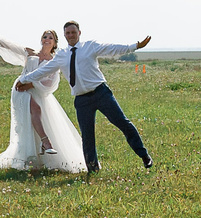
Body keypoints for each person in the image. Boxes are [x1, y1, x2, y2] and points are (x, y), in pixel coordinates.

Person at [0, 29, 82, 173]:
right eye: (44, 37)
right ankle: (46, 142)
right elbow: (8, 45)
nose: (47, 39)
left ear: (55, 42)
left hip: (37, 91)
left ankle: (37, 155)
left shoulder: (54, 60)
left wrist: (32, 84)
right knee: (35, 109)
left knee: (38, 118)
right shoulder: (30, 53)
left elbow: (52, 82)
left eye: (50, 38)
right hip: (20, 89)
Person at [60, 20, 153, 176]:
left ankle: (144, 155)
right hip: (81, 100)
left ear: (79, 33)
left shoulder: (90, 46)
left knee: (123, 123)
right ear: (64, 35)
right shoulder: (61, 55)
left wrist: (135, 46)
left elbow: (112, 49)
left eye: (73, 32)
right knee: (87, 136)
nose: (71, 35)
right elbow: (45, 69)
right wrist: (25, 80)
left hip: (100, 93)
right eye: (68, 33)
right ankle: (93, 170)